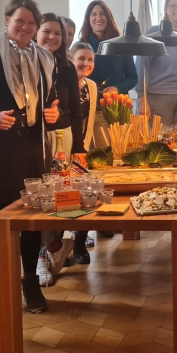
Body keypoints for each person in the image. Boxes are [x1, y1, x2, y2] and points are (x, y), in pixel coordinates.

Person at [0, 0, 60, 324]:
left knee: (34, 222)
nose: (25, 28)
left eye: (31, 24)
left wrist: (54, 111)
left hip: (34, 151)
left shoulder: (45, 58)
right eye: (19, 21)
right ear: (6, 20)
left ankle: (30, 284)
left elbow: (53, 100)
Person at [76, 0, 138, 147]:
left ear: (108, 18)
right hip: (94, 109)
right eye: (94, 14)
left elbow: (133, 77)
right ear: (88, 19)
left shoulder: (121, 44)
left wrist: (117, 88)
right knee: (103, 155)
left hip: (120, 109)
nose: (98, 18)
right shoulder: (81, 45)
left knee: (123, 152)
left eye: (102, 14)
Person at [137, 0, 177, 125]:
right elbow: (142, 66)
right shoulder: (154, 32)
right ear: (165, 10)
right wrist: (142, 99)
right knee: (159, 141)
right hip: (159, 98)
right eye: (172, 6)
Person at [37, 14, 84, 161]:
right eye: (46, 31)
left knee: (62, 182)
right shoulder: (25, 64)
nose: (52, 37)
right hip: (34, 137)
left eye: (57, 33)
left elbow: (76, 109)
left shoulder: (68, 67)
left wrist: (79, 147)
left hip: (62, 135)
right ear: (36, 33)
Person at [69, 43, 99, 258]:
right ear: (71, 59)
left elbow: (89, 123)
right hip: (61, 149)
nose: (85, 63)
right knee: (64, 196)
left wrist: (84, 149)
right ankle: (55, 247)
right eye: (81, 58)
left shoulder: (92, 86)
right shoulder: (60, 83)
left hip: (82, 149)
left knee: (85, 195)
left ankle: (79, 242)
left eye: (90, 59)